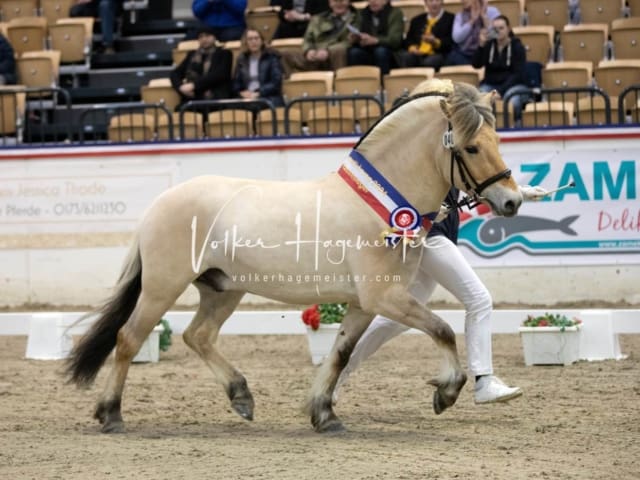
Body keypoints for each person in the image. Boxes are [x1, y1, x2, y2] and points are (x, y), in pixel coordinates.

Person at [334, 184, 550, 405]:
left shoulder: (453, 155)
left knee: (398, 319)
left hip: (433, 233)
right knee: (479, 300)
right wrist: (426, 212)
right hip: (430, 235)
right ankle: (484, 380)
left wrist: (520, 192)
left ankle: (335, 369)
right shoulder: (433, 151)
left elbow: (479, 185)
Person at [472, 15, 528, 126]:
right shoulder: (489, 45)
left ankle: (512, 127)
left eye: (501, 28)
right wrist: (481, 46)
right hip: (491, 84)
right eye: (495, 29)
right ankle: (485, 128)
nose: (498, 31)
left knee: (512, 100)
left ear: (508, 29)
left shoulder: (517, 47)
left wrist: (501, 91)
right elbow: (476, 64)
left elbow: (517, 74)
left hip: (513, 85)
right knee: (480, 97)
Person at [281, 0, 357, 77]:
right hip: (315, 54)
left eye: (342, 1)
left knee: (339, 51)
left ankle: (338, 84)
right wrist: (308, 51)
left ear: (349, 2)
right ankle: (292, 86)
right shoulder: (318, 18)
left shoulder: (356, 18)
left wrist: (328, 51)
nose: (338, 4)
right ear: (330, 3)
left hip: (334, 54)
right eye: (335, 1)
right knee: (284, 54)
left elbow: (348, 41)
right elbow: (307, 39)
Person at [170, 25, 233, 104]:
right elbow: (175, 73)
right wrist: (181, 87)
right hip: (192, 97)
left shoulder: (224, 53)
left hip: (215, 98)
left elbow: (220, 74)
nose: (204, 39)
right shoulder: (192, 54)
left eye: (207, 35)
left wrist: (194, 86)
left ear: (214, 37)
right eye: (201, 36)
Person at [346, 0, 403, 75]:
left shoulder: (395, 13)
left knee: (380, 52)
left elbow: (395, 40)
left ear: (386, 1)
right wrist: (355, 38)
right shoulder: (363, 13)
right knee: (354, 52)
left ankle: (383, 83)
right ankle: (358, 82)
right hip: (366, 48)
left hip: (389, 50)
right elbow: (358, 30)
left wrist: (376, 40)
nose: (373, 1)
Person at [232, 28, 285, 108]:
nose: (254, 42)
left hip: (267, 97)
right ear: (246, 42)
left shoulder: (272, 57)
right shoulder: (242, 59)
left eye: (256, 38)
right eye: (250, 39)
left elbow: (276, 82)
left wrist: (258, 93)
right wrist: (242, 92)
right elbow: (236, 83)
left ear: (262, 41)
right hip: (247, 97)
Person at [397, 0, 455, 71]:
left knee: (431, 61)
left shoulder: (451, 19)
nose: (434, 3)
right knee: (406, 57)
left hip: (438, 53)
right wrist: (412, 48)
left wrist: (435, 41)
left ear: (442, 2)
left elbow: (451, 42)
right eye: (430, 1)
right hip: (418, 53)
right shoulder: (416, 20)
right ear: (425, 3)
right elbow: (408, 40)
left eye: (437, 0)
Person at [445, 0, 500, 66]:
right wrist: (472, 20)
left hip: (486, 53)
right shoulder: (460, 16)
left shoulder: (492, 11)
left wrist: (484, 17)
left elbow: (497, 35)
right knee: (451, 58)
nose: (463, 1)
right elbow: (456, 38)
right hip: (464, 54)